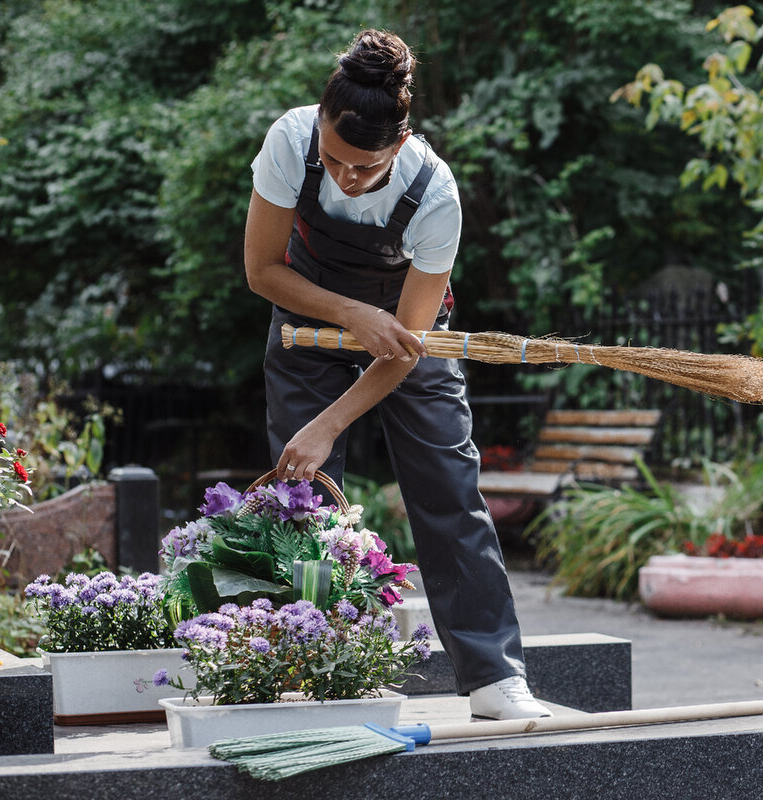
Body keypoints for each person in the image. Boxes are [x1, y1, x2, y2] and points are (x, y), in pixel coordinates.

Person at [243, 28, 550, 721]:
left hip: (411, 337)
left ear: (400, 144)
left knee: (449, 488)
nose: (349, 177)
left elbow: (404, 344)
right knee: (304, 499)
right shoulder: (290, 142)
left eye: (367, 167)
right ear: (318, 128)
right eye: (337, 161)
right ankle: (317, 670)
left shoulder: (434, 192)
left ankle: (494, 676)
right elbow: (263, 271)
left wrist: (329, 422)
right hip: (307, 313)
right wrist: (352, 314)